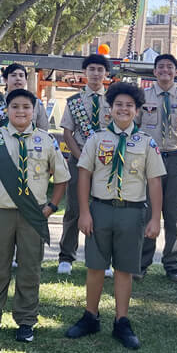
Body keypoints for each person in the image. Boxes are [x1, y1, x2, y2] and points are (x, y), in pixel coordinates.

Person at [65, 81, 165, 349]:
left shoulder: (146, 143)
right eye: (118, 104)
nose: (123, 109)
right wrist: (84, 212)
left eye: (129, 106)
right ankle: (90, 316)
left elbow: (154, 181)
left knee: (124, 269)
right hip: (100, 210)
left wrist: (155, 218)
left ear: (137, 111)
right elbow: (84, 174)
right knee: (95, 266)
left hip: (131, 212)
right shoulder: (97, 139)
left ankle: (122, 321)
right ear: (110, 109)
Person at [0, 89, 70, 343]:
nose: (21, 111)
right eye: (15, 107)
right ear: (7, 110)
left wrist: (51, 207)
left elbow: (62, 178)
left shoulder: (46, 141)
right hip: (1, 213)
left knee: (30, 268)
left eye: (26, 106)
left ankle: (26, 321)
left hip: (33, 215)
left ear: (34, 110)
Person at [137, 53, 177, 282]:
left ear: (175, 71)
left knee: (173, 213)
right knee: (148, 212)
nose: (165, 71)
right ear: (154, 72)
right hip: (149, 158)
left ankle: (172, 265)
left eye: (169, 67)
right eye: (160, 67)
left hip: (174, 158)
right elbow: (136, 126)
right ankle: (142, 264)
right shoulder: (143, 96)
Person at [57, 53, 113, 275]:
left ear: (106, 74)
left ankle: (101, 257)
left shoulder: (113, 100)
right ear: (84, 73)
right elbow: (68, 133)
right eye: (92, 69)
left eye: (100, 69)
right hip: (79, 161)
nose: (96, 74)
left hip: (107, 163)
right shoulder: (75, 101)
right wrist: (81, 158)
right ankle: (66, 257)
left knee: (103, 210)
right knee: (74, 209)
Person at [0, 63, 51, 131]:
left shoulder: (36, 103)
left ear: (26, 80)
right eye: (13, 75)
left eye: (21, 75)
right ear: (5, 79)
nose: (18, 78)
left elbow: (43, 130)